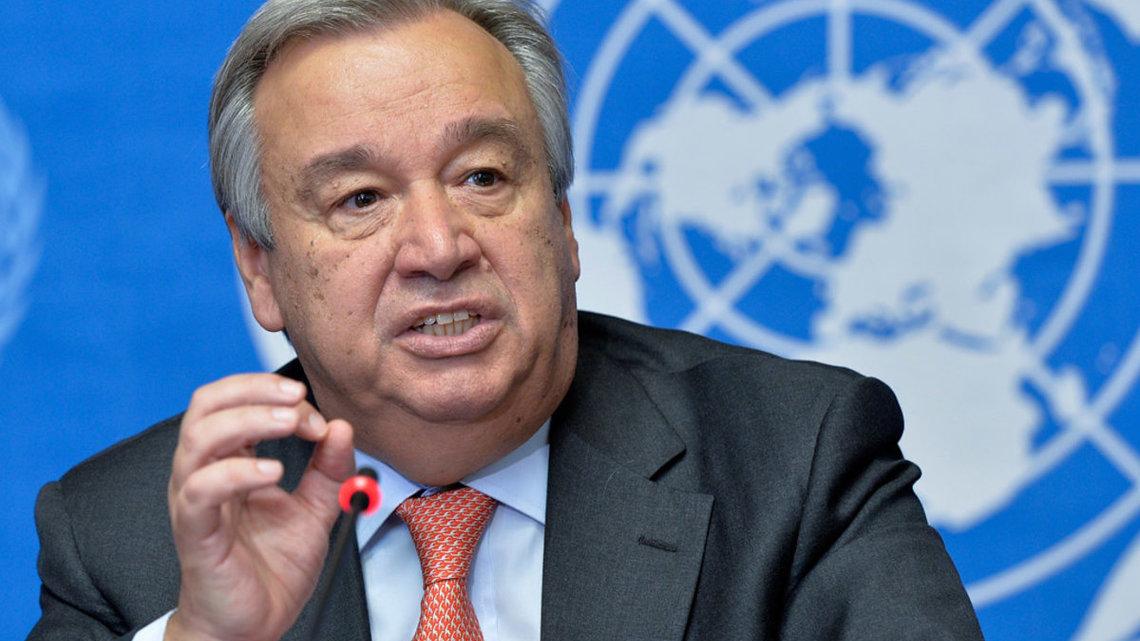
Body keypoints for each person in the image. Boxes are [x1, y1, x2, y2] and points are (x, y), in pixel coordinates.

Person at [27, 1, 985, 640]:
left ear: (562, 223)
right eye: (360, 199)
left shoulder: (792, 460)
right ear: (260, 268)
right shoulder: (129, 538)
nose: (438, 246)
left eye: (483, 177)